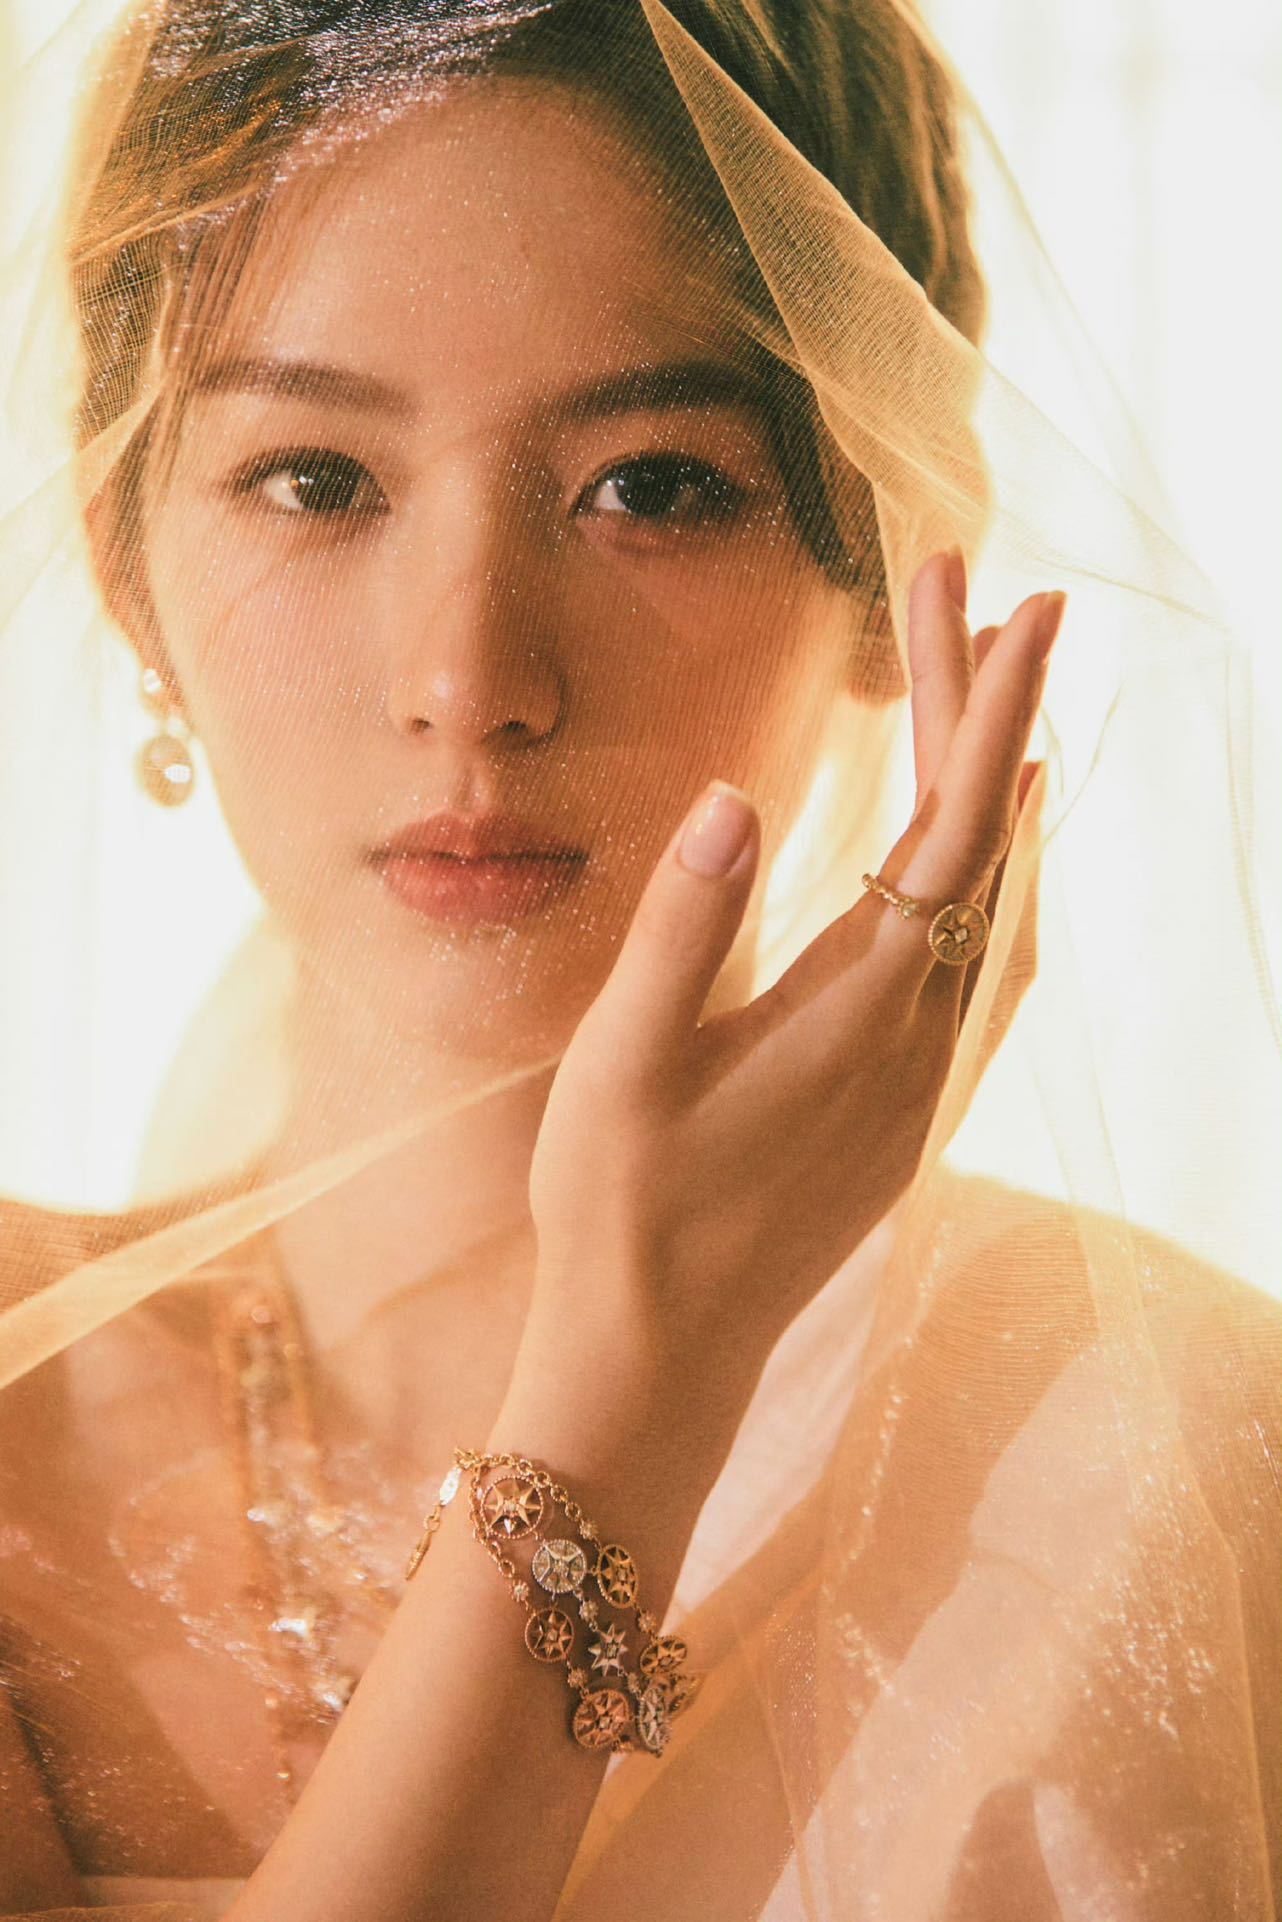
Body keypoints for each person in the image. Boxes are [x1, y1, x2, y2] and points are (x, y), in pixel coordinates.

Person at [0, 2, 1276, 1918]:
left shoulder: (1167, 1458)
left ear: (890, 558)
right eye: (318, 479)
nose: (469, 680)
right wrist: (627, 1396)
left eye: (652, 482)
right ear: (127, 566)